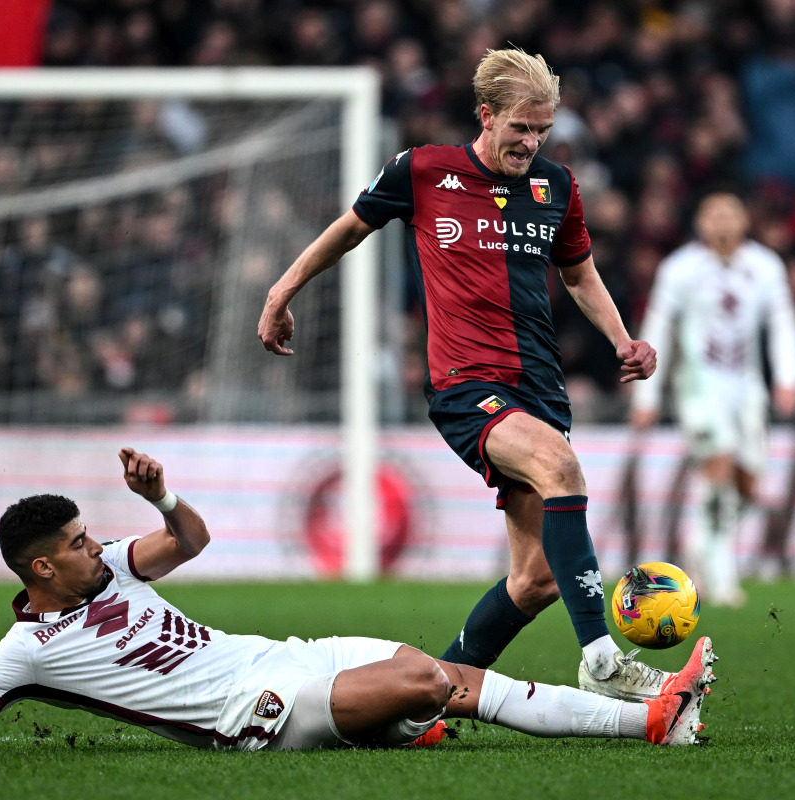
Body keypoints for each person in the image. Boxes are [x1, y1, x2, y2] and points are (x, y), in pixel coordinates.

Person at [0, 447, 717, 758]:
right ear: (38, 573)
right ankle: (649, 718)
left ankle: (649, 722)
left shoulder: (114, 569)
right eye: (75, 546)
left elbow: (189, 541)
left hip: (276, 653)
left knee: (449, 677)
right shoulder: (26, 655)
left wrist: (160, 500)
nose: (95, 549)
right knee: (438, 679)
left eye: (92, 535)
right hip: (249, 713)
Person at [258, 47, 665, 701]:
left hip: (540, 389)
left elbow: (579, 273)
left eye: (542, 131)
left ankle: (431, 696)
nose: (530, 143)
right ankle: (602, 661)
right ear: (486, 116)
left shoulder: (556, 186)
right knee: (561, 468)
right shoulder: (423, 171)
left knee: (536, 579)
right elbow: (349, 229)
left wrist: (623, 339)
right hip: (466, 385)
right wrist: (282, 292)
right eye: (519, 129)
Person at [630, 191, 795, 608]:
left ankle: (698, 541)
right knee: (719, 465)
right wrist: (646, 393)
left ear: (745, 221)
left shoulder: (765, 266)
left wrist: (788, 378)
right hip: (698, 389)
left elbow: (783, 322)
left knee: (747, 483)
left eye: (731, 214)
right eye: (715, 215)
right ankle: (720, 575)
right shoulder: (681, 269)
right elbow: (659, 328)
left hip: (746, 390)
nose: (723, 223)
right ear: (701, 223)